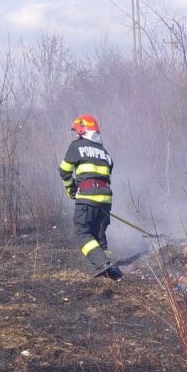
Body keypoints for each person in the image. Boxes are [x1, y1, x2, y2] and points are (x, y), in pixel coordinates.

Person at [59, 114, 122, 280]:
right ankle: (110, 271)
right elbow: (108, 171)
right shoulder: (104, 152)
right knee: (99, 234)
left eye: (78, 132)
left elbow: (64, 170)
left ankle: (102, 263)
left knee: (83, 232)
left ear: (83, 131)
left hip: (87, 197)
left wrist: (71, 189)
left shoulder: (77, 146)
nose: (76, 136)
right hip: (106, 200)